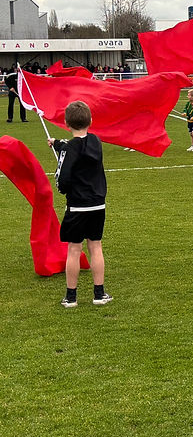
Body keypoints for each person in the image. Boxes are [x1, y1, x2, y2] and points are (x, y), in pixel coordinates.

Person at [48, 100, 111, 307]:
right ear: (90, 121)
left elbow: (63, 178)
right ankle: (99, 294)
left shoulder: (70, 149)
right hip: (97, 204)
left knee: (74, 249)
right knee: (96, 246)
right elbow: (76, 146)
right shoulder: (95, 141)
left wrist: (63, 189)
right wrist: (57, 144)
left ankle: (71, 296)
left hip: (77, 206)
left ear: (66, 123)